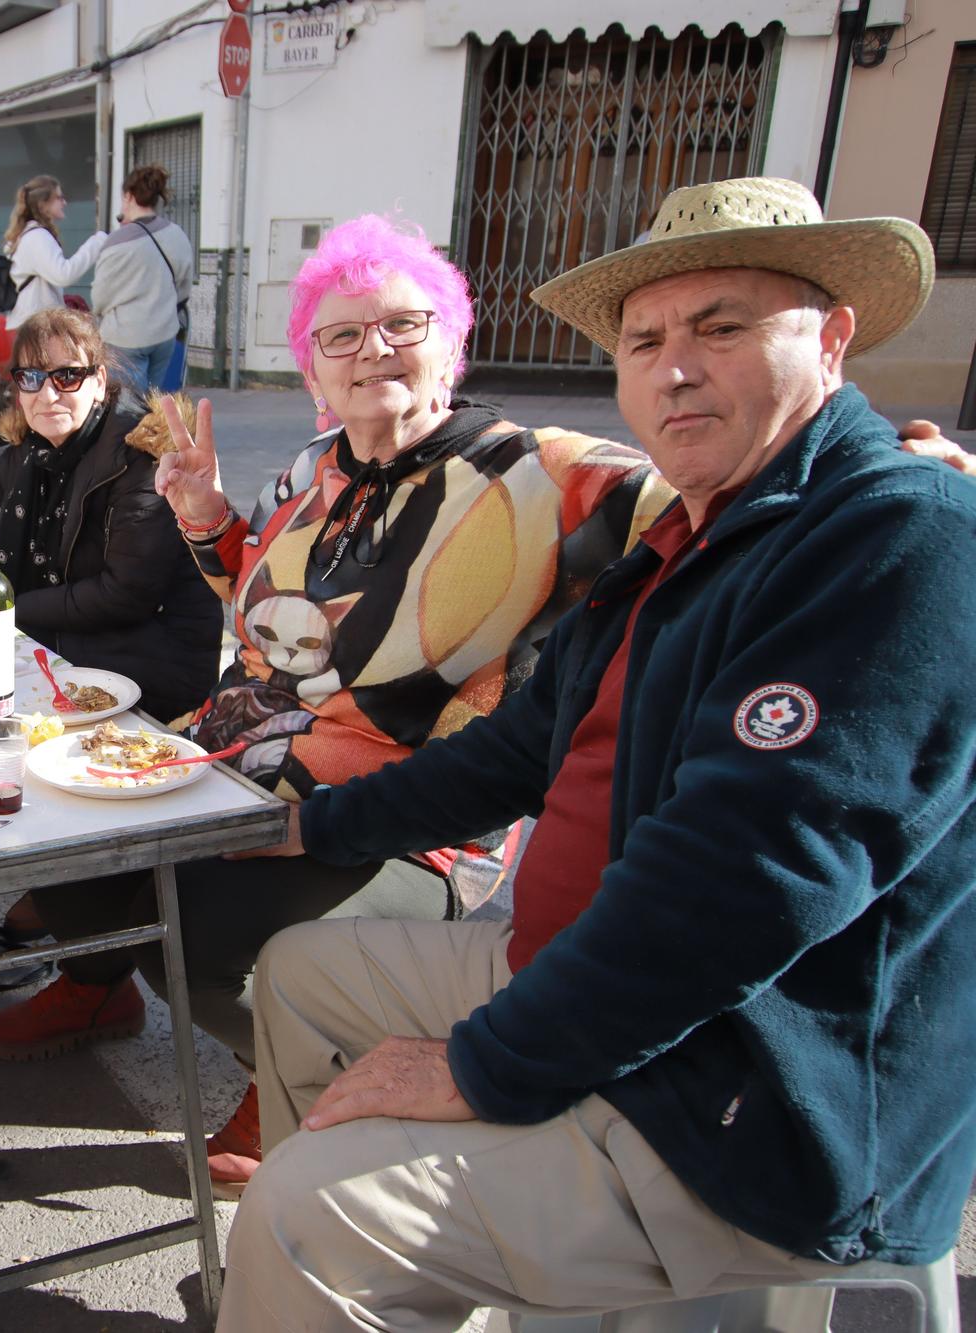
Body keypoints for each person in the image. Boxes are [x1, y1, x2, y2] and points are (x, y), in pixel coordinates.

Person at [217, 175, 976, 1332]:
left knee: (303, 1207)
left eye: (721, 327)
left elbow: (747, 876)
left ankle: (335, 1254)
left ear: (829, 339)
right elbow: (511, 754)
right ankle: (402, 1283)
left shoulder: (891, 536)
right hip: (587, 970)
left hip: (756, 1086)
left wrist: (480, 1068)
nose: (673, 368)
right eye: (643, 339)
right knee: (300, 975)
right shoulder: (685, 531)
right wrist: (298, 824)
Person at [0, 215, 684, 1200]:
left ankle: (303, 1076)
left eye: (401, 324)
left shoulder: (537, 470)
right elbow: (272, 610)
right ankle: (98, 989)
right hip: (237, 755)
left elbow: (712, 491)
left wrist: (888, 478)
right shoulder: (311, 472)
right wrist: (206, 520)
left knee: (199, 924)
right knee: (69, 831)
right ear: (313, 365)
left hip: (404, 817)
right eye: (340, 335)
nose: (371, 352)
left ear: (450, 341)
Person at [0, 307, 220, 718]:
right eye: (30, 378)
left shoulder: (142, 459)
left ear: (99, 382)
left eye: (67, 376)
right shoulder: (24, 458)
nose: (47, 395)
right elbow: (10, 570)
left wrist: (3, 610)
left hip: (150, 661)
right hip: (73, 644)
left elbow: (123, 595)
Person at [93, 165, 192, 393]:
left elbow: (100, 298)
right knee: (155, 404)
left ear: (128, 196)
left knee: (126, 408)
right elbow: (184, 288)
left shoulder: (116, 243)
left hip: (124, 338)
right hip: (164, 334)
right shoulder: (177, 234)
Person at [5, 175, 106, 331]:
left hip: (30, 324)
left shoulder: (27, 235)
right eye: (59, 198)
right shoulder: (37, 236)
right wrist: (97, 243)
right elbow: (64, 275)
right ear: (43, 204)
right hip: (36, 327)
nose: (64, 203)